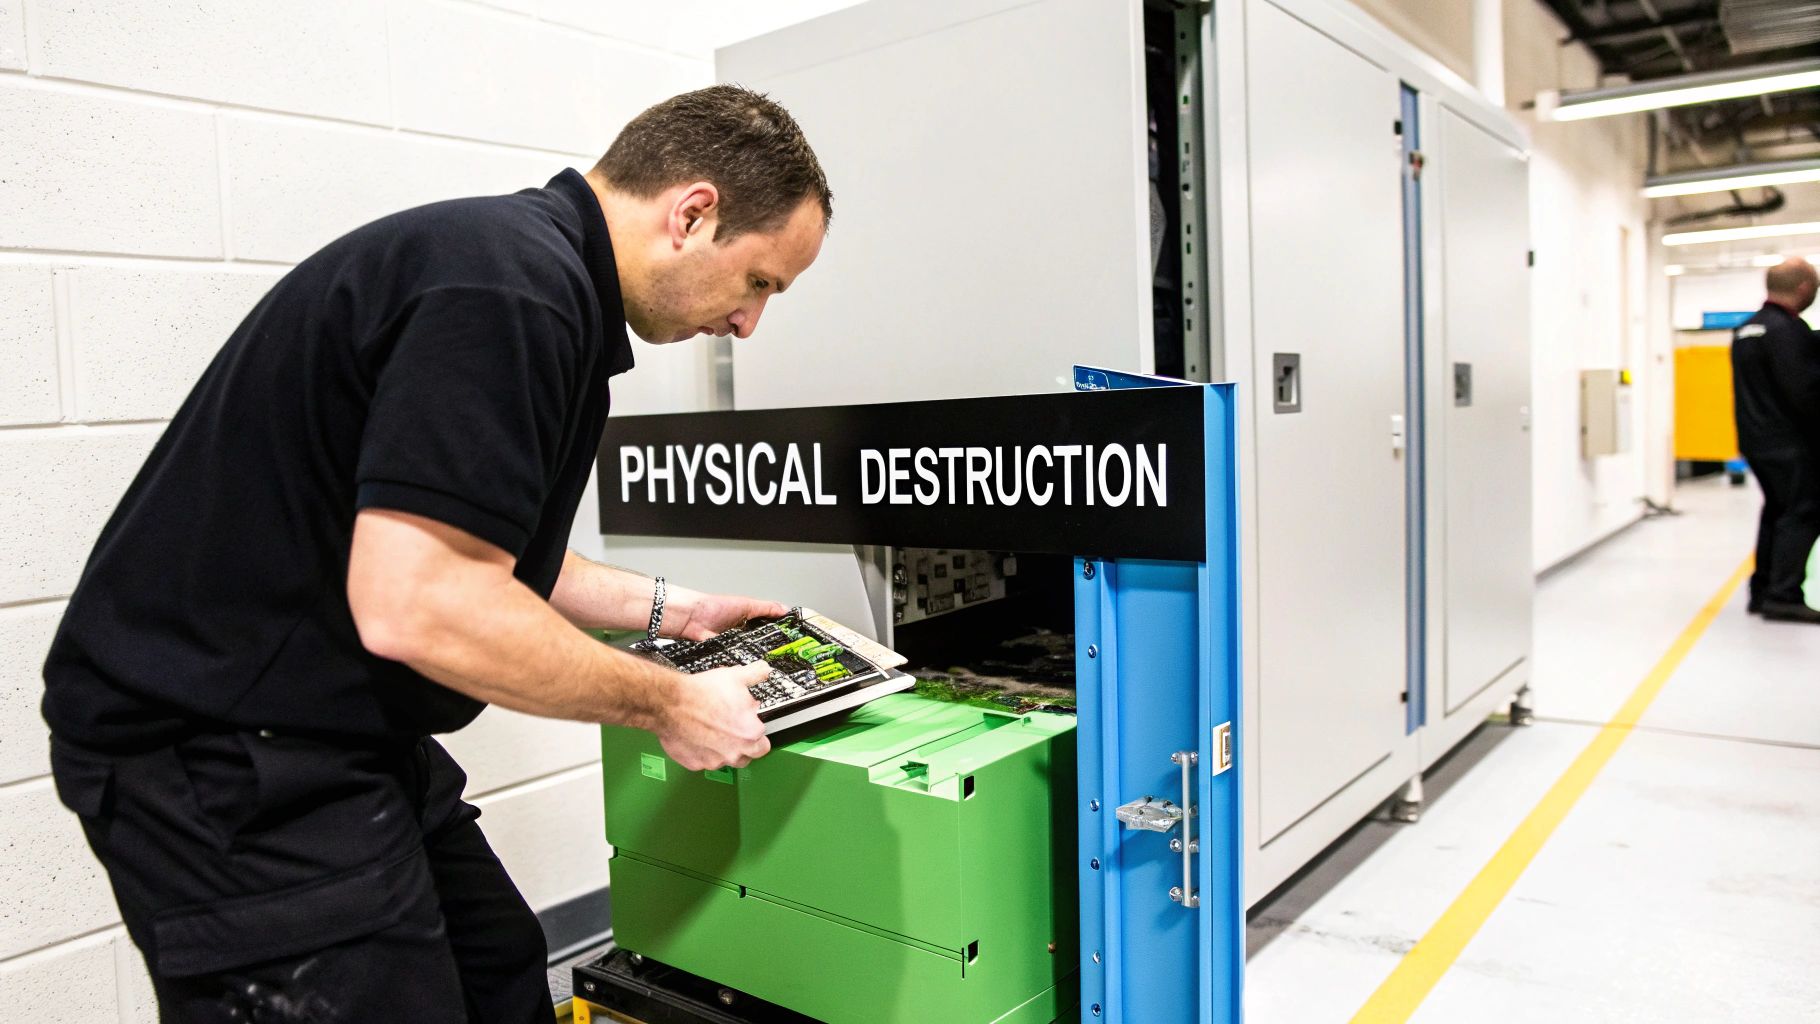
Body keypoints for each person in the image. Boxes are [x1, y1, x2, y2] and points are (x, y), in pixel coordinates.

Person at [40, 86, 832, 1023]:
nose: (749, 325)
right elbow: (423, 604)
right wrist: (671, 701)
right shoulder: (506, 292)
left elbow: (470, 555)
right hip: (218, 752)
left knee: (495, 965)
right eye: (759, 283)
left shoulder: (535, 282)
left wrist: (673, 613)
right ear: (693, 214)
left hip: (337, 729)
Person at [1731, 257, 1820, 624]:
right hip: (1789, 442)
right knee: (1803, 511)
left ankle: (1763, 590)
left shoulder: (1746, 329)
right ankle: (1783, 595)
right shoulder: (1788, 330)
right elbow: (1805, 391)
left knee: (1777, 511)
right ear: (1803, 288)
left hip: (1756, 441)